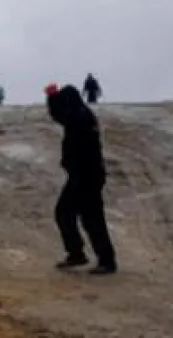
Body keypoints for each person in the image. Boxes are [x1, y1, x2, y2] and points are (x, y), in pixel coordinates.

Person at [45, 83, 117, 275]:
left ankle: (104, 260)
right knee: (71, 214)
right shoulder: (79, 114)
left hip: (86, 176)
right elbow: (59, 116)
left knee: (86, 217)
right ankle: (81, 254)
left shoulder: (80, 118)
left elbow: (60, 115)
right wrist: (51, 97)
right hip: (84, 175)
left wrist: (52, 98)